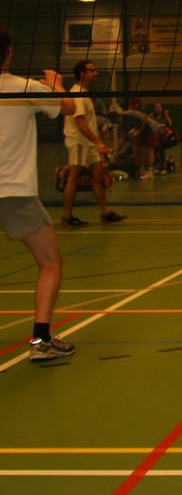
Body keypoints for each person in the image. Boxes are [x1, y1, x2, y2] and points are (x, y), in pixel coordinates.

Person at [0, 28, 77, 361]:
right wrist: (56, 84)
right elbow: (69, 107)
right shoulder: (24, 87)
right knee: (50, 262)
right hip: (13, 191)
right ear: (9, 52)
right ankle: (41, 341)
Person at [61, 59, 125, 226]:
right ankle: (67, 216)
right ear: (82, 74)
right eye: (92, 70)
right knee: (73, 178)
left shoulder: (85, 93)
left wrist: (97, 142)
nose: (95, 73)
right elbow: (80, 123)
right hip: (79, 142)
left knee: (98, 176)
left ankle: (105, 212)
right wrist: (98, 143)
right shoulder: (77, 94)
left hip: (90, 143)